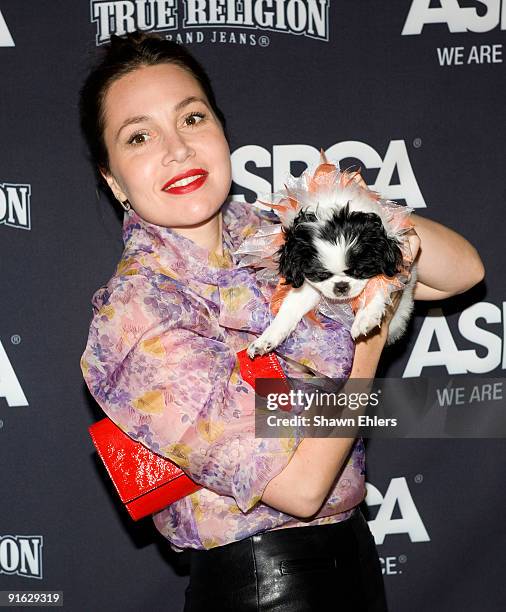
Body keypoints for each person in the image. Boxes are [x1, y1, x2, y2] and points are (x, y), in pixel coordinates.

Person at [78, 31, 485, 612]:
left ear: (221, 131)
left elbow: (462, 270)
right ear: (114, 179)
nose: (177, 149)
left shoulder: (278, 232)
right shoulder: (136, 313)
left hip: (357, 564)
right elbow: (300, 488)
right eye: (139, 136)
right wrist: (369, 334)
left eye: (192, 119)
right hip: (263, 589)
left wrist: (363, 218)